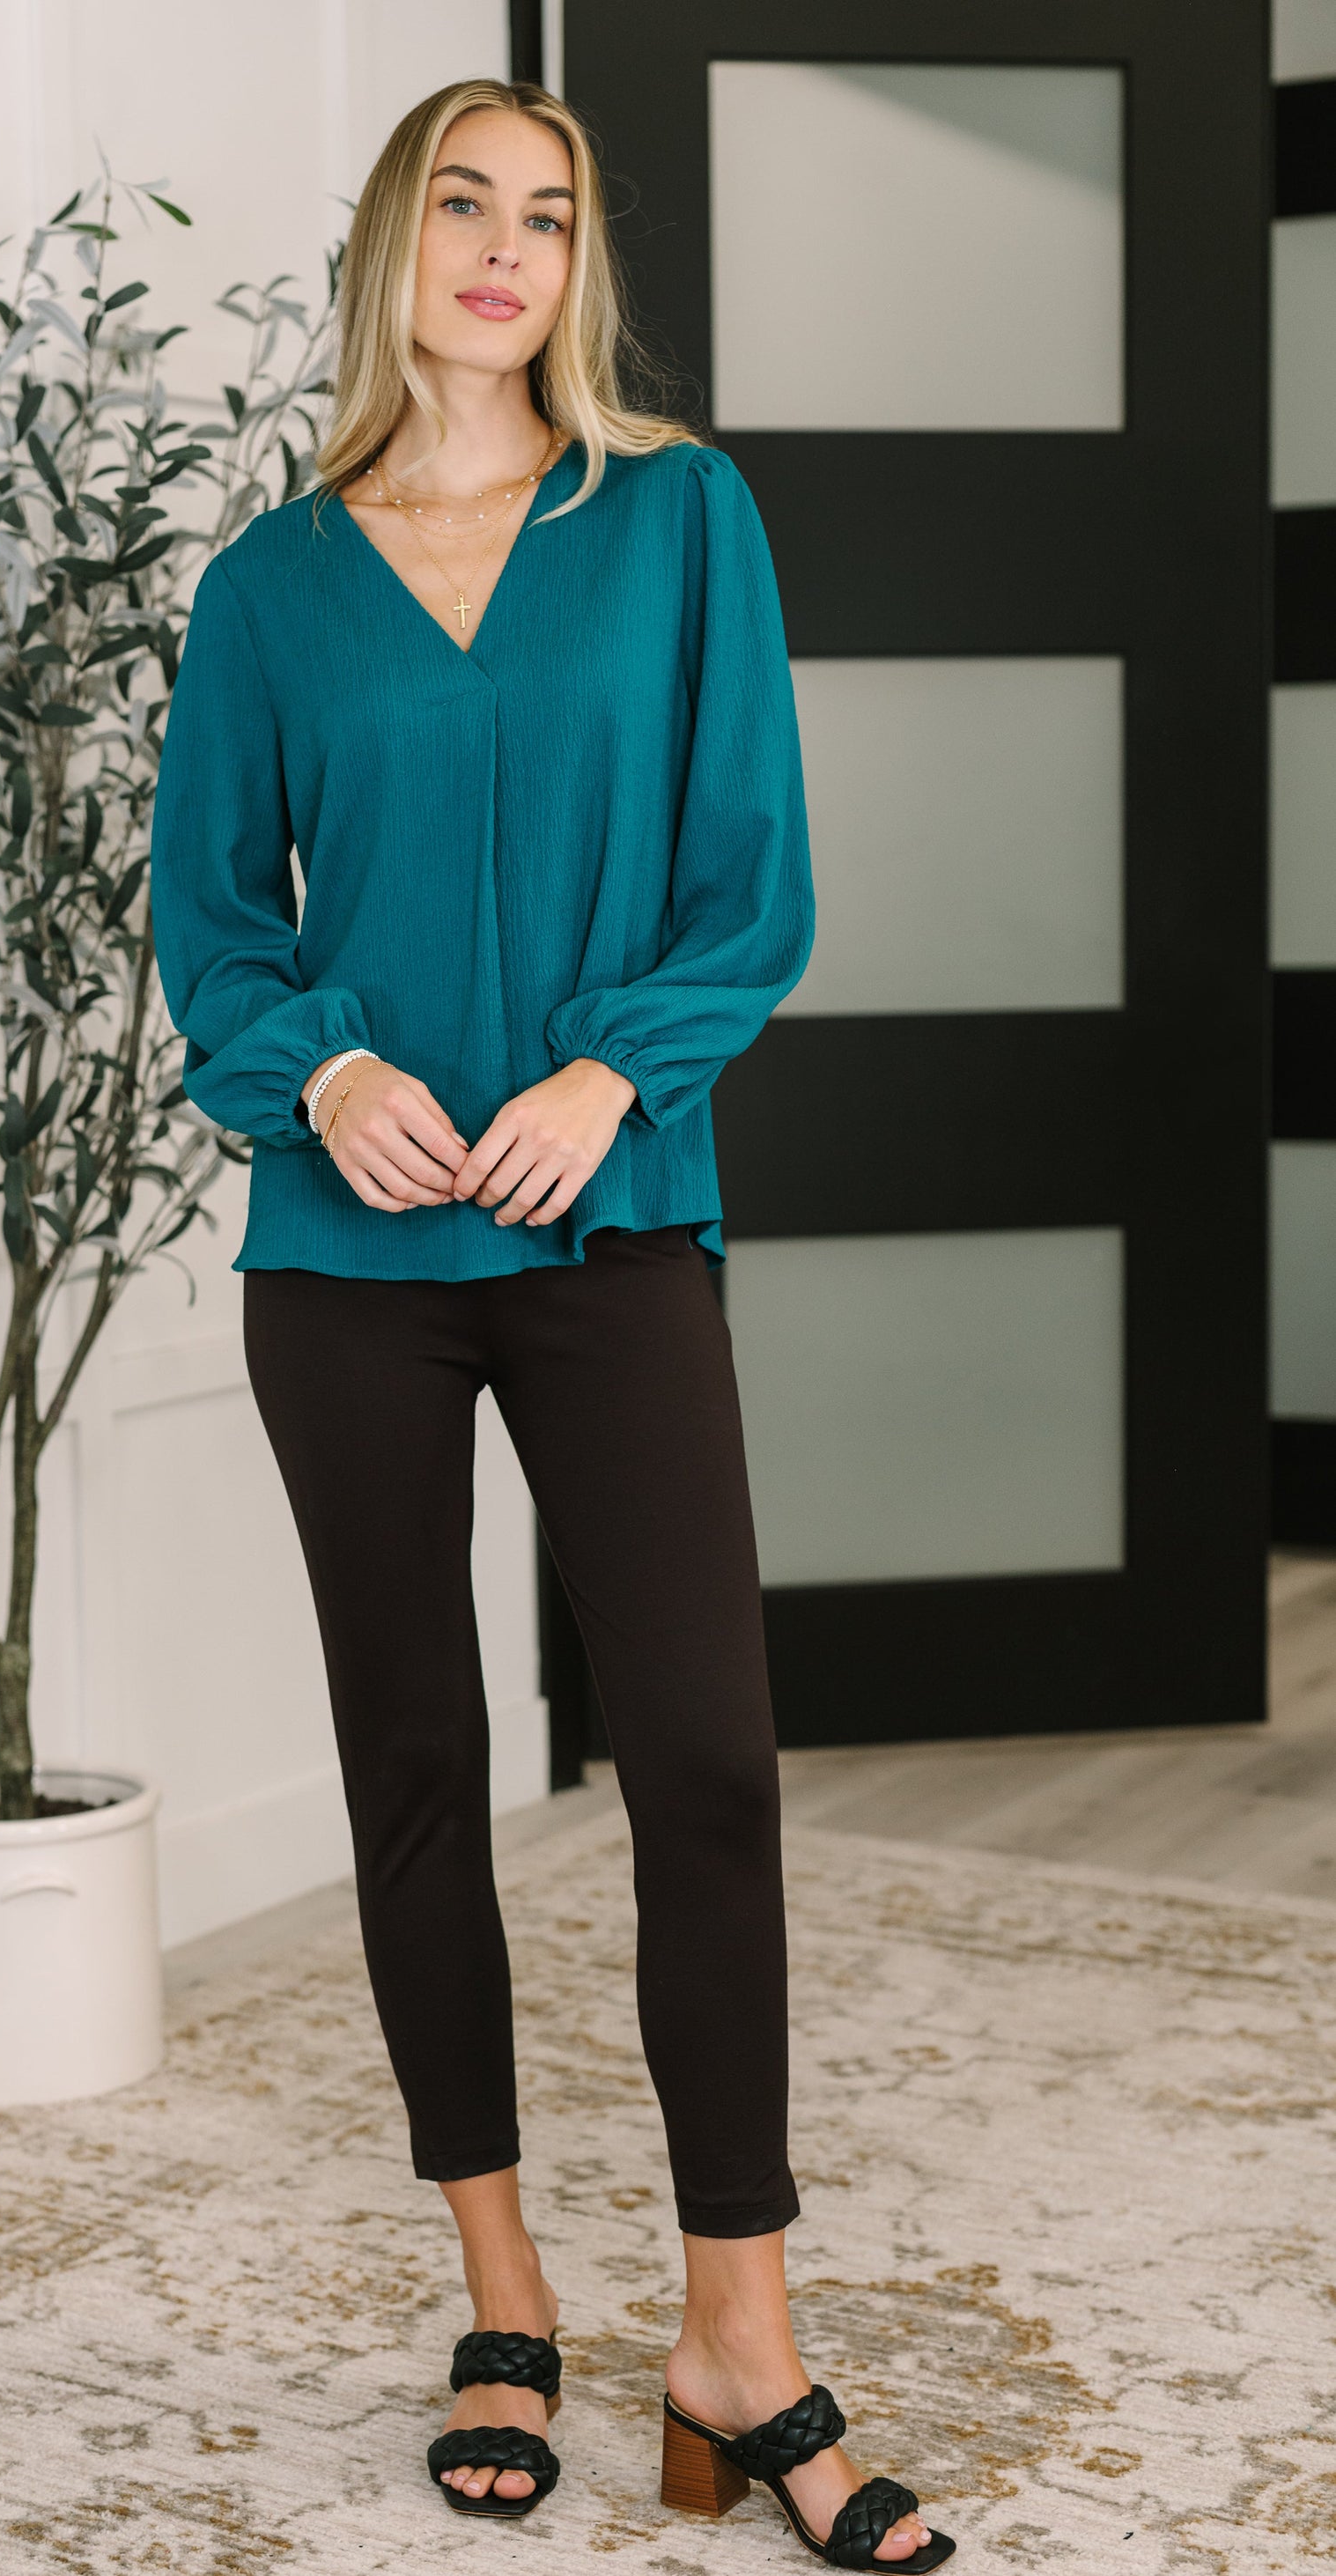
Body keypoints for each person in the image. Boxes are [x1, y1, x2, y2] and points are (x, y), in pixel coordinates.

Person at [150, 74, 954, 2572]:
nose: (505, 248)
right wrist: (328, 1072)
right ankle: (504, 2299)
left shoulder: (678, 521)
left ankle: (741, 2339)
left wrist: (615, 1072)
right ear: (392, 246)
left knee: (703, 1759)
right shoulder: (272, 586)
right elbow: (214, 929)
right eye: (462, 205)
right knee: (418, 1765)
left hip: (612, 1227)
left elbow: (752, 880)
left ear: (578, 264)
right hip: (348, 1265)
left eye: (549, 214)